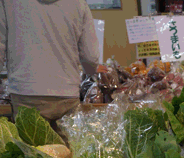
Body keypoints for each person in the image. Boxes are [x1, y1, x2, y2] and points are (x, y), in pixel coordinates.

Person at [0, 0, 107, 129]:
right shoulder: (79, 3)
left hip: (26, 92)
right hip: (67, 93)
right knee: (67, 147)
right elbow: (90, 56)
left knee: (32, 147)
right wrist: (90, 71)